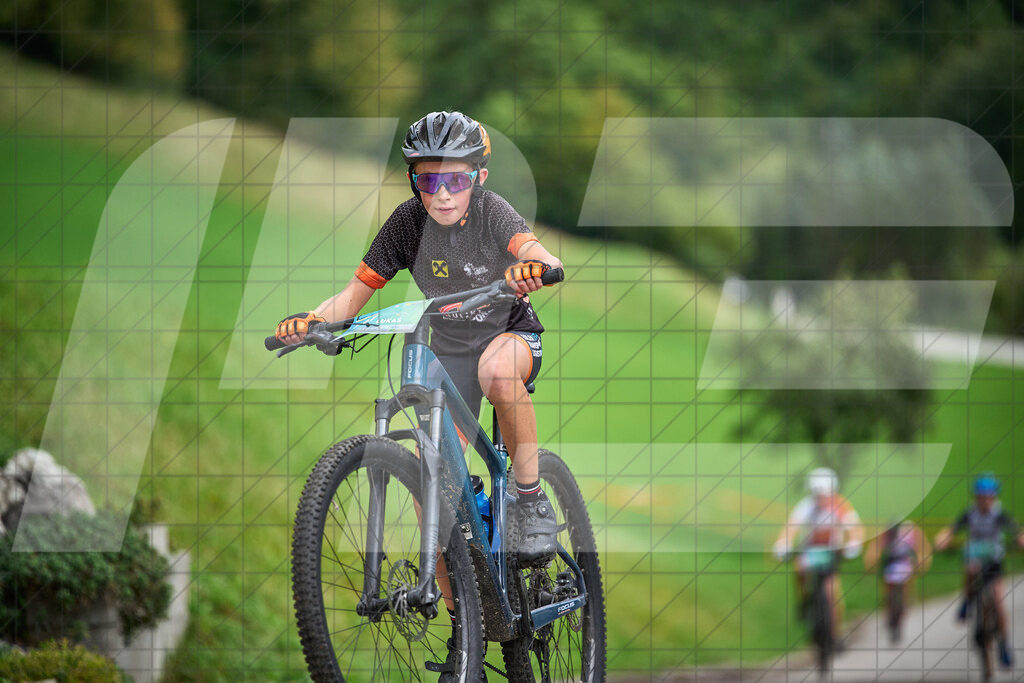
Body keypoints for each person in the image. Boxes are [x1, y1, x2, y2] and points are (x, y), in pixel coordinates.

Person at [275, 110, 562, 559]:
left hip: (508, 333)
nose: (443, 195)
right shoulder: (407, 223)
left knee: (498, 371)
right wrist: (312, 320)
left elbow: (530, 248)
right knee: (434, 494)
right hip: (448, 349)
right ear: (414, 182)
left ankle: (531, 502)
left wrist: (538, 266)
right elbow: (354, 294)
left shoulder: (491, 211)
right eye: (429, 183)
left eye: (457, 181)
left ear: (479, 177)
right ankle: (460, 623)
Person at [935, 473, 1024, 668]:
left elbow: (1016, 531)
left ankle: (1003, 644)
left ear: (994, 497)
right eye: (980, 497)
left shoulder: (999, 514)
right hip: (974, 557)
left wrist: (1020, 539)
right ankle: (966, 601)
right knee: (970, 568)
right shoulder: (970, 513)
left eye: (987, 497)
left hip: (994, 560)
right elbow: (952, 529)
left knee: (999, 601)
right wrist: (943, 539)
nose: (984, 501)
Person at [773, 467, 865, 645]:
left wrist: (854, 542)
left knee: (832, 592)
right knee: (799, 568)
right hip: (809, 550)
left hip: (831, 552)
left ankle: (835, 634)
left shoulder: (841, 505)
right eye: (817, 495)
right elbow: (791, 526)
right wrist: (783, 542)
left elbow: (855, 528)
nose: (821, 499)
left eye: (824, 495)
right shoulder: (807, 505)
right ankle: (804, 600)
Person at [863, 519, 932, 644]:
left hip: (905, 566)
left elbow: (921, 547)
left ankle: (902, 611)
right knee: (889, 593)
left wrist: (921, 563)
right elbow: (875, 550)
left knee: (905, 593)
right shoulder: (885, 534)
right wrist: (872, 562)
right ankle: (890, 614)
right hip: (890, 566)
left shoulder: (911, 531)